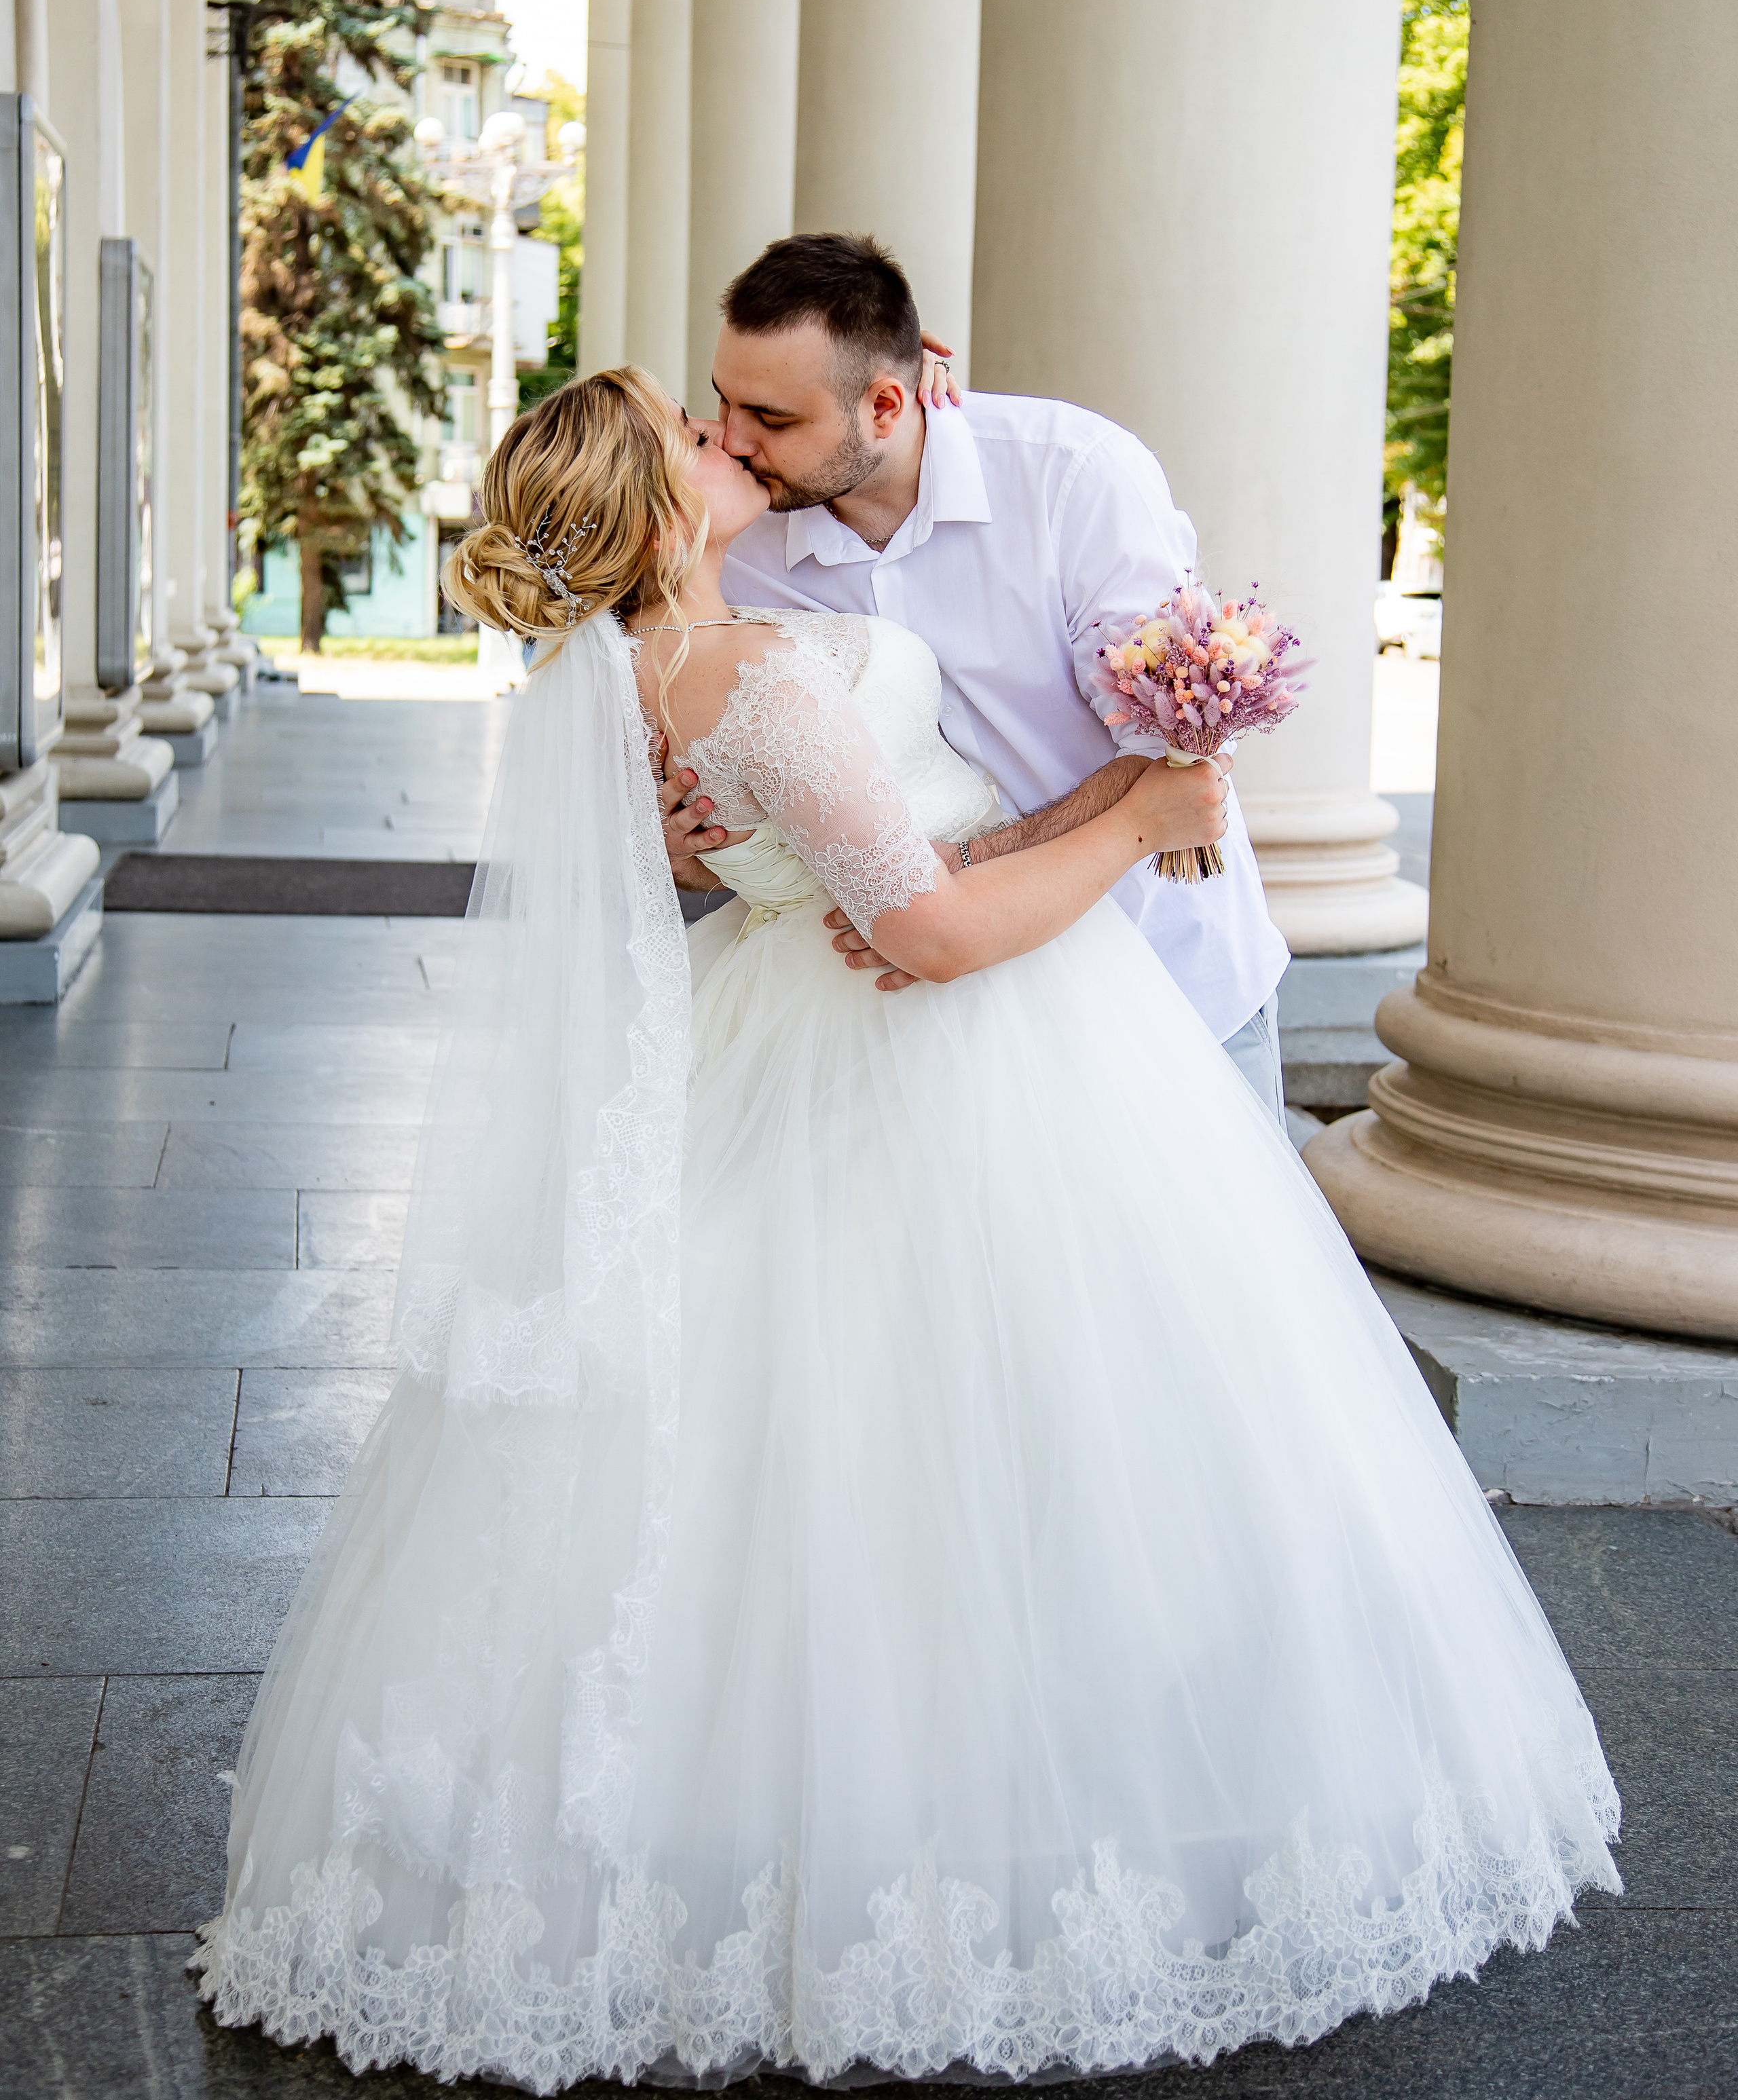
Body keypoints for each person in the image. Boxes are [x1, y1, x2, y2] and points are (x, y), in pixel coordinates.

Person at [196, 367, 1619, 2092]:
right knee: (982, 1444)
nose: (730, 443)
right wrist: (1147, 823)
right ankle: (989, 1827)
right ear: (658, 515)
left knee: (882, 1447)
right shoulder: (750, 670)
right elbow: (935, 935)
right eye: (698, 436)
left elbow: (861, 849)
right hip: (927, 1048)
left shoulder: (667, 671)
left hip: (807, 1024)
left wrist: (1099, 797)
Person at [662, 233, 1293, 1121]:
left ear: (888, 404)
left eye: (772, 419)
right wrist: (694, 842)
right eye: (725, 403)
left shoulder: (1074, 479)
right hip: (934, 1032)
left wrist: (952, 874)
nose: (733, 440)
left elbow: (1171, 767)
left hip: (1166, 965)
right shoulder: (740, 538)